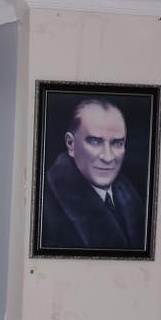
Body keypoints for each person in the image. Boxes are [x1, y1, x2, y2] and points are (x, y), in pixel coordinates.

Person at [40, 98, 146, 251]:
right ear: (71, 144)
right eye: (95, 142)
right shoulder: (44, 207)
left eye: (117, 143)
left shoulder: (131, 195)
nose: (108, 157)